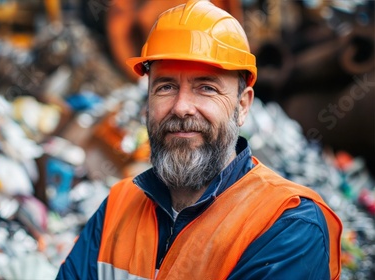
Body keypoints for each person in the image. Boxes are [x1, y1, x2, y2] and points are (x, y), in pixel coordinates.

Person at [57, 0, 343, 279]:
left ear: (242, 106)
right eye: (166, 86)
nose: (181, 107)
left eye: (206, 87)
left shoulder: (287, 224)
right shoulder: (117, 208)